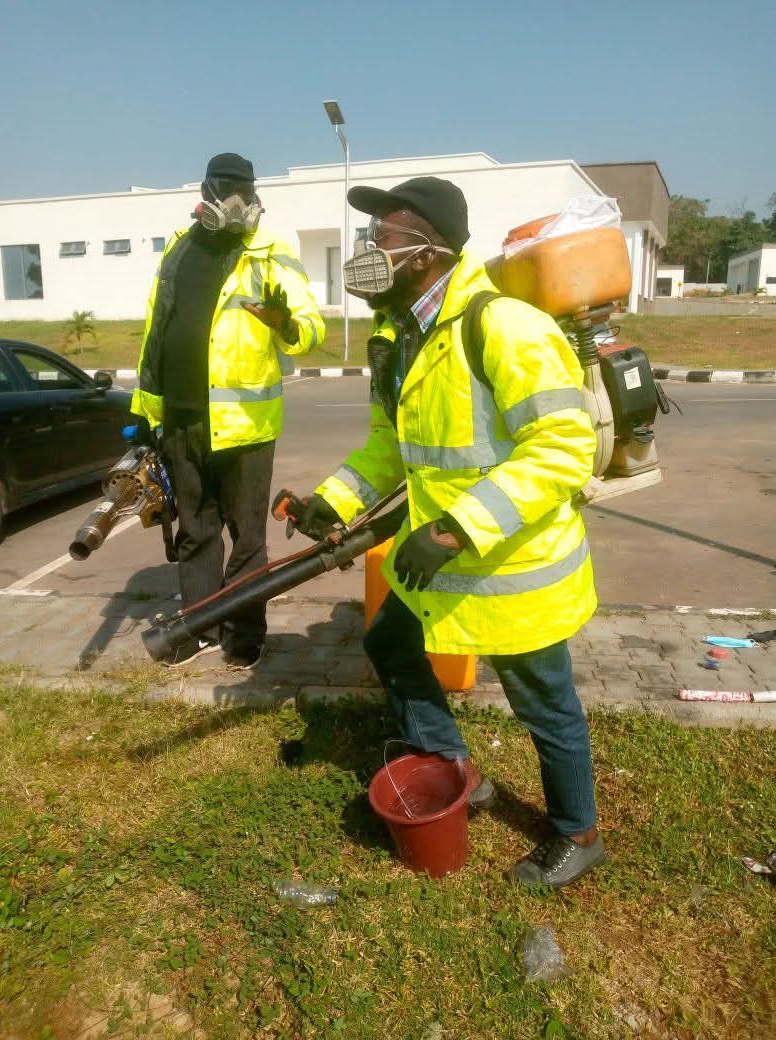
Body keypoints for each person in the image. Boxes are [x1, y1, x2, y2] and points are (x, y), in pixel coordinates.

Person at [292, 176, 605, 888]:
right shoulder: (398, 336)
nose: (371, 251)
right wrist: (334, 501)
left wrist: (459, 529)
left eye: (385, 237)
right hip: (440, 558)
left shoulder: (503, 325)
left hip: (508, 564)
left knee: (544, 702)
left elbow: (562, 445)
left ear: (429, 248)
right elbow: (389, 447)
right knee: (389, 641)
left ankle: (577, 832)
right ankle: (456, 767)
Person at [131, 152, 324, 669]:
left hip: (245, 426)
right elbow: (156, 333)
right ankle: (199, 627)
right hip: (181, 419)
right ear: (207, 192)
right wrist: (147, 416)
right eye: (227, 189)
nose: (238, 201)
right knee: (194, 529)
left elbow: (310, 326)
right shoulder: (177, 246)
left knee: (246, 535)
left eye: (246, 189)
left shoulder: (269, 247)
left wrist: (287, 323)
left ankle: (243, 633)